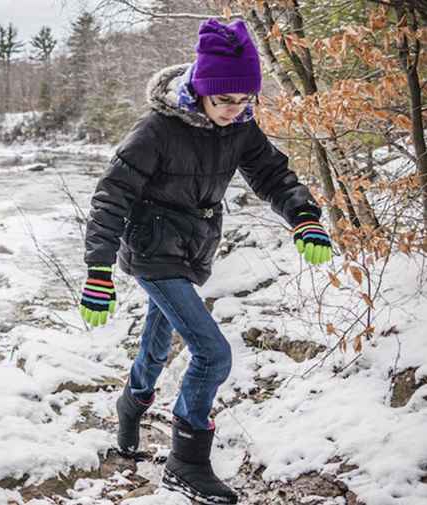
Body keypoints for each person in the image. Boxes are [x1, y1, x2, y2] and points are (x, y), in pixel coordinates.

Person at [79, 19, 333, 505]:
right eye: (225, 101)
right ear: (199, 91)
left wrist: (304, 216)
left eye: (245, 101)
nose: (236, 111)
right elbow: (110, 196)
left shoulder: (239, 126)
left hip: (192, 250)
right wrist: (98, 270)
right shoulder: (156, 130)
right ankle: (186, 462)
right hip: (153, 251)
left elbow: (273, 175)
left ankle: (130, 406)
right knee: (212, 353)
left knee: (156, 347)